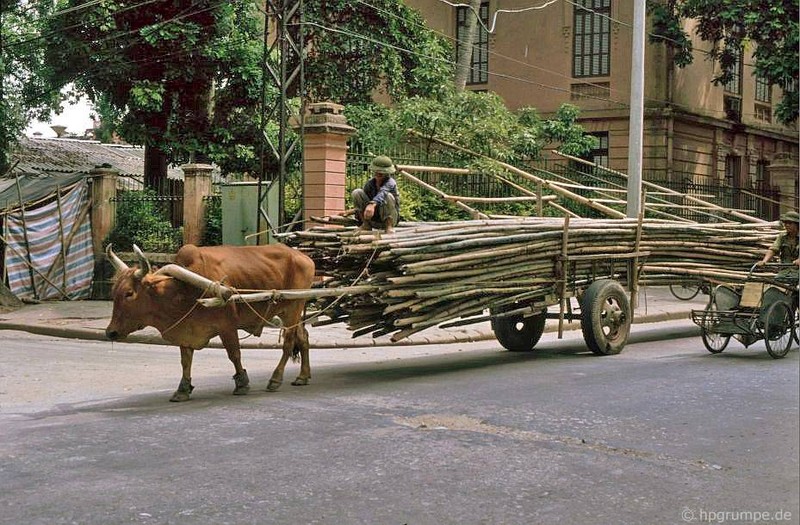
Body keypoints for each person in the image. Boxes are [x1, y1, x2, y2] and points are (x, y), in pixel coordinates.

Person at [352, 155, 400, 233]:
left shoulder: (391, 183)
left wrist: (372, 204)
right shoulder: (370, 184)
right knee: (357, 192)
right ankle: (366, 224)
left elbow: (383, 192)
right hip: (373, 218)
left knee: (388, 196)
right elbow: (362, 203)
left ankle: (389, 226)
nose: (379, 173)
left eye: (382, 172)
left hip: (389, 219)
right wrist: (350, 212)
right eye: (377, 171)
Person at [757, 210, 799, 282]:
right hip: (785, 270)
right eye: (785, 223)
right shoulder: (782, 236)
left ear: (797, 224)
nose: (787, 225)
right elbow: (773, 249)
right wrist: (764, 261)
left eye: (790, 223)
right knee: (777, 283)